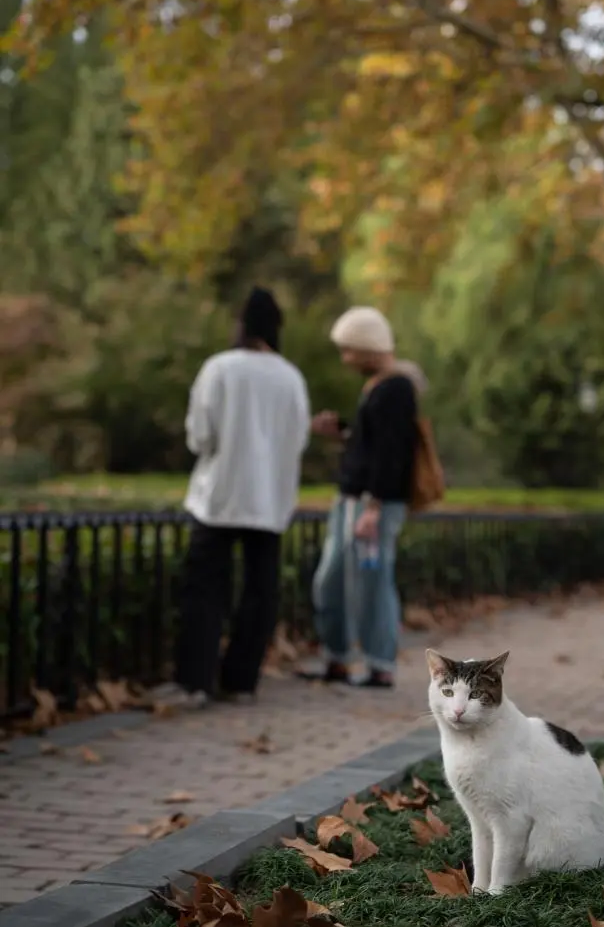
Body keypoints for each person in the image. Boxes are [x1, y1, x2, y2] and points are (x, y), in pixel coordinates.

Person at [154, 287, 310, 708]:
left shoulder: (219, 368)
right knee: (260, 592)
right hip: (269, 501)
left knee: (204, 589)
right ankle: (241, 682)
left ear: (241, 324)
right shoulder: (290, 377)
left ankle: (195, 681)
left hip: (218, 496)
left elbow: (199, 436)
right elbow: (298, 439)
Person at [299, 306, 421, 689]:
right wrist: (345, 435)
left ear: (368, 347)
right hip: (352, 499)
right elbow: (373, 446)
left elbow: (393, 454)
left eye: (349, 350)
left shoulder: (396, 389)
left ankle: (379, 663)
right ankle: (338, 656)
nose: (346, 359)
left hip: (372, 505)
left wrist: (374, 505)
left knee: (372, 581)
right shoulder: (377, 387)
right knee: (331, 580)